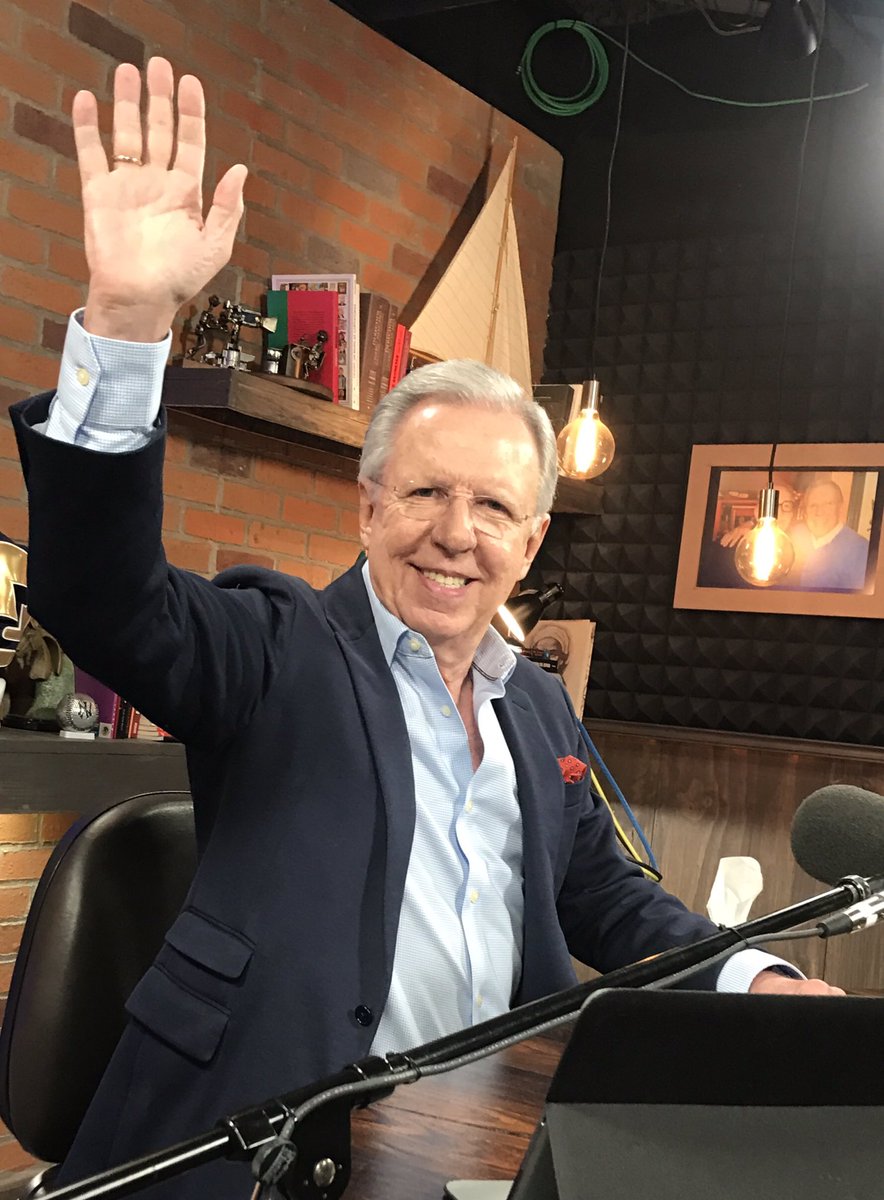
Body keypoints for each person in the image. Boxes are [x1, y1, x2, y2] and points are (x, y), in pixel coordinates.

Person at [11, 59, 843, 1200]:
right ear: (368, 506)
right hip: (265, 1150)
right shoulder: (278, 648)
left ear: (530, 541)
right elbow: (106, 597)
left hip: (482, 1145)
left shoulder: (536, 705)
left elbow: (607, 896)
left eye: (492, 507)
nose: (455, 533)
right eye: (423, 493)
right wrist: (125, 319)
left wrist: (751, 977)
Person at [790, 480, 870, 592]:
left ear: (840, 508)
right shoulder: (792, 539)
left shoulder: (861, 550)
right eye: (813, 505)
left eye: (828, 504)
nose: (819, 512)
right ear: (805, 511)